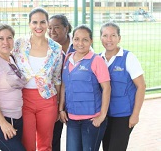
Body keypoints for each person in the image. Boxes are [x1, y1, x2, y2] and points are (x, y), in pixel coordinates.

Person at [12, 7, 62, 151]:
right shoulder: (19, 44)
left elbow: (57, 79)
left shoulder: (56, 48)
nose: (38, 26)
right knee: (27, 143)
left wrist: (58, 105)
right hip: (23, 99)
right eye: (34, 22)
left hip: (47, 100)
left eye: (42, 22)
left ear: (47, 24)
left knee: (45, 144)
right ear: (29, 24)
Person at [59, 25, 111, 151]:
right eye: (76, 39)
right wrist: (61, 109)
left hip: (92, 120)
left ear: (91, 41)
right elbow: (64, 85)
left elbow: (107, 88)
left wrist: (102, 115)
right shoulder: (68, 58)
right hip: (72, 119)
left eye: (85, 40)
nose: (80, 43)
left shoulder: (96, 60)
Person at [99, 22, 146, 151]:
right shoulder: (98, 59)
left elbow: (141, 86)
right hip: (104, 115)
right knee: (107, 147)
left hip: (123, 115)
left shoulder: (128, 57)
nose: (109, 39)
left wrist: (135, 114)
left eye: (113, 35)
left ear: (119, 38)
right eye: (105, 35)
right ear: (100, 38)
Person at [48, 14, 75, 151]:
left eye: (56, 27)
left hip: (75, 100)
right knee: (53, 138)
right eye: (50, 28)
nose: (52, 31)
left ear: (66, 28)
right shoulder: (47, 48)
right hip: (55, 99)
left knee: (76, 140)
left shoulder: (78, 43)